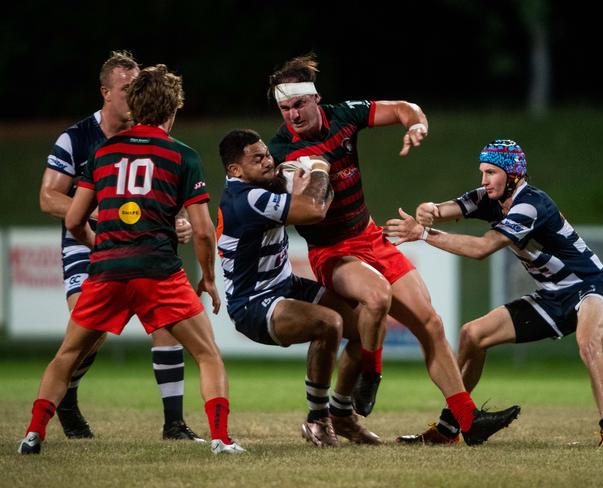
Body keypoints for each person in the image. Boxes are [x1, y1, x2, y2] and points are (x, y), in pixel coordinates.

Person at [267, 53, 520, 446]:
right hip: (331, 251)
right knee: (376, 296)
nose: (293, 115)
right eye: (284, 108)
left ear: (316, 99)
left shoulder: (344, 116)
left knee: (431, 324)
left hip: (369, 236)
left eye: (298, 104)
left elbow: (404, 108)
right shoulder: (282, 151)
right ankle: (371, 372)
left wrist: (416, 123)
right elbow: (283, 205)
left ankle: (468, 422)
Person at [19, 64, 244, 455]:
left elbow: (73, 219)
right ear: (172, 109)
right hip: (158, 272)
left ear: (136, 105)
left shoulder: (102, 151)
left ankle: (34, 433)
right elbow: (205, 230)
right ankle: (222, 439)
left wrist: (98, 242)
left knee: (66, 355)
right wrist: (207, 277)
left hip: (107, 270)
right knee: (207, 354)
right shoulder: (182, 155)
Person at [383, 139, 603, 448]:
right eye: (482, 172)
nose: (484, 180)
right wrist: (426, 210)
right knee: (472, 334)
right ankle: (448, 429)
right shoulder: (489, 197)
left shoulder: (530, 204)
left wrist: (424, 233)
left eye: (491, 172)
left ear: (513, 175)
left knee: (589, 345)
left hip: (590, 287)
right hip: (552, 296)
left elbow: (483, 248)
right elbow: (445, 209)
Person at [39, 50, 200, 441]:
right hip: (88, 244)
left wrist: (178, 224)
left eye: (138, 88)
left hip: (144, 245)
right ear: (106, 93)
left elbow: (165, 198)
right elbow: (48, 197)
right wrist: (100, 215)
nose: (134, 95)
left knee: (168, 325)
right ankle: (68, 396)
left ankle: (174, 424)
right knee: (91, 334)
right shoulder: (77, 138)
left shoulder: (153, 137)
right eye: (127, 88)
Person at [217, 129, 380, 447]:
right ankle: (318, 420)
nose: (268, 161)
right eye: (257, 158)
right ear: (235, 170)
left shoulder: (261, 185)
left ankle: (342, 414)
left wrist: (313, 187)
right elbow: (316, 210)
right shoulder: (247, 198)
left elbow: (317, 204)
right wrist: (319, 169)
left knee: (366, 323)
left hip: (284, 285)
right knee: (328, 323)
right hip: (253, 303)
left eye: (267, 154)